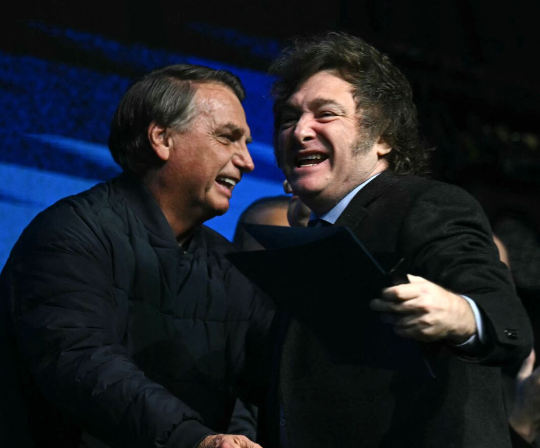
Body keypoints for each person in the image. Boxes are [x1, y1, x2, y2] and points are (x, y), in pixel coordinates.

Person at [261, 32, 533, 448]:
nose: (299, 131)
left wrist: (461, 313)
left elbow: (505, 318)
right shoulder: (310, 233)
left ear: (382, 137)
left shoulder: (426, 204)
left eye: (326, 114)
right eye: (288, 118)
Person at [0, 64, 274, 448]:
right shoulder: (68, 234)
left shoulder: (231, 268)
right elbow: (82, 363)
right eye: (228, 138)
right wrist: (193, 439)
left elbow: (284, 375)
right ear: (161, 138)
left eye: (246, 143)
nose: (247, 161)